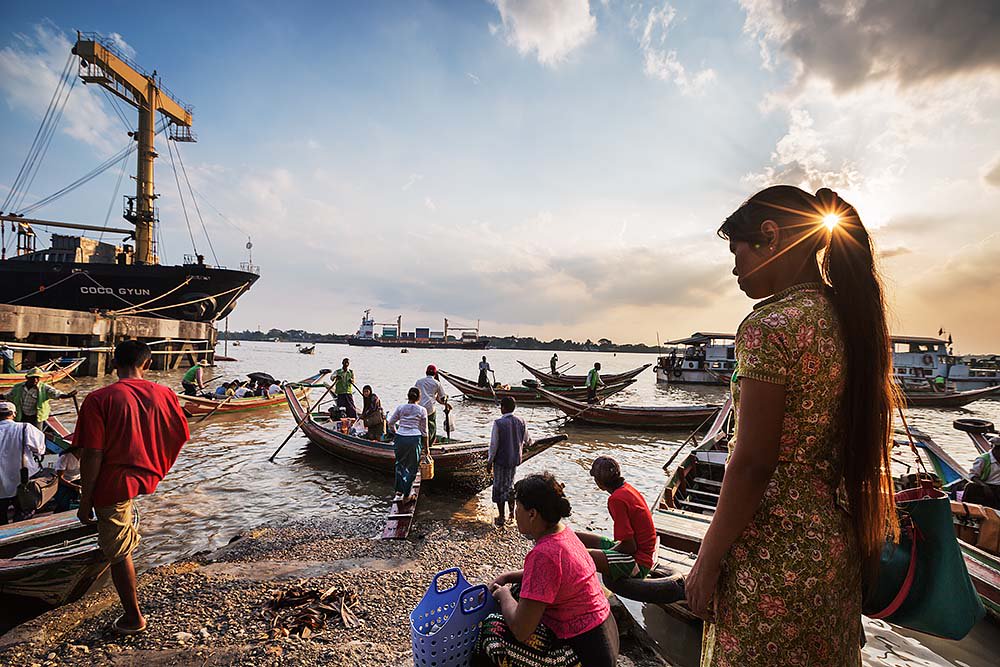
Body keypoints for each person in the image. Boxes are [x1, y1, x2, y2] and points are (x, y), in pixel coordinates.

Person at [685, 186, 898, 666]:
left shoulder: (769, 327)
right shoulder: (848, 320)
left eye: (736, 253)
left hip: (771, 556)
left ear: (769, 236)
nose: (735, 269)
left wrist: (707, 560)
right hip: (833, 550)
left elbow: (753, 463)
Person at [76, 340, 190, 635]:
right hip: (142, 477)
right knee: (122, 540)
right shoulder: (164, 393)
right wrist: (153, 463)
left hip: (111, 484)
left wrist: (85, 498)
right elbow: (178, 434)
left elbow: (92, 454)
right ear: (148, 364)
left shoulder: (98, 399)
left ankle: (133, 618)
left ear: (114, 364)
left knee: (119, 551)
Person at [479, 473, 619, 667]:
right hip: (604, 634)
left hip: (586, 655)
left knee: (491, 629)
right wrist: (509, 576)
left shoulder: (544, 554)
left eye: (517, 506)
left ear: (532, 513)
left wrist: (503, 595)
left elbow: (521, 630)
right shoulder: (563, 533)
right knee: (519, 590)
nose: (516, 512)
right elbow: (555, 577)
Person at [575, 457, 656, 582]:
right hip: (637, 552)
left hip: (638, 562)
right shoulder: (627, 488)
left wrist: (605, 554)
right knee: (573, 537)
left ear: (599, 482)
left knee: (578, 556)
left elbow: (630, 547)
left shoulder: (616, 499)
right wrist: (604, 553)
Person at [487, 396, 532, 527]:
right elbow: (528, 439)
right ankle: (512, 514)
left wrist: (490, 461)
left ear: (503, 408)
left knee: (499, 487)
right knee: (509, 486)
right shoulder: (521, 421)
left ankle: (501, 516)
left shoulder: (498, 423)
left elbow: (494, 444)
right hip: (514, 460)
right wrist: (532, 444)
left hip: (501, 460)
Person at [0, 401, 46, 525]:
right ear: (14, 414)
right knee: (25, 512)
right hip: (22, 479)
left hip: (1, 484)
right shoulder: (25, 428)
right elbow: (39, 449)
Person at [386, 387, 428, 503]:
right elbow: (425, 432)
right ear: (419, 398)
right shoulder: (422, 410)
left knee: (400, 464)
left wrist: (395, 432)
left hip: (400, 438)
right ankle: (406, 495)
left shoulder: (401, 408)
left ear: (408, 396)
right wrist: (426, 448)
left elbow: (390, 423)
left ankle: (399, 490)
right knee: (412, 467)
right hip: (414, 439)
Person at [5, 367, 77, 428]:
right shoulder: (18, 387)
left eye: (37, 378)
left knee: (36, 436)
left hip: (36, 417)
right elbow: (10, 396)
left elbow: (56, 393)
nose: (35, 380)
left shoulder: (44, 388)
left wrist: (67, 395)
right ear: (27, 378)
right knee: (20, 435)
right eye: (33, 378)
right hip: (21, 415)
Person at [415, 365, 449, 446]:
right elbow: (442, 397)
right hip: (430, 408)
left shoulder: (419, 381)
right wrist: (446, 403)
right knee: (431, 426)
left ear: (426, 372)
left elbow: (414, 394)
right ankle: (429, 444)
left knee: (419, 425)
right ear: (435, 373)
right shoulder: (437, 383)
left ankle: (420, 443)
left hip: (419, 407)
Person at [965, 435, 1000, 509]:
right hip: (984, 485)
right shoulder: (983, 459)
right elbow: (972, 476)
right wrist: (984, 486)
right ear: (996, 449)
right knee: (970, 487)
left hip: (998, 488)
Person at [53, 444, 83, 512]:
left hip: (78, 481)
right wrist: (74, 486)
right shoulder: (65, 457)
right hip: (65, 483)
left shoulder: (84, 457)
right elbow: (60, 478)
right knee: (63, 505)